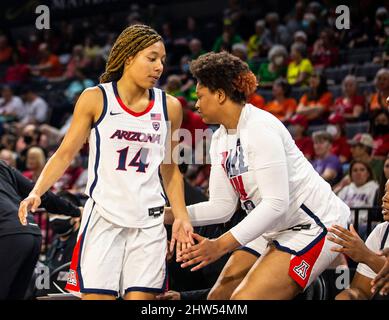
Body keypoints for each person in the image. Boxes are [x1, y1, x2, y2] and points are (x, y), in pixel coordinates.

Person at [18, 24, 193, 300]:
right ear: (128, 58)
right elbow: (64, 153)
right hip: (104, 218)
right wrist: (37, 192)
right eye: (151, 58)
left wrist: (182, 216)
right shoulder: (96, 98)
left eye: (162, 60)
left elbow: (170, 169)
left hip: (149, 223)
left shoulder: (169, 107)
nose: (159, 66)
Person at [167, 51, 350, 300]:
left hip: (314, 224)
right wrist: (170, 215)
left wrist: (219, 245)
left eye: (200, 96)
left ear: (220, 95)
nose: (196, 104)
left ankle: (312, 288)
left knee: (244, 301)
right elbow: (221, 207)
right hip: (274, 226)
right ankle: (307, 288)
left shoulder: (259, 128)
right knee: (217, 299)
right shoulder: (220, 137)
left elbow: (276, 203)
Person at [0, 160, 81, 299]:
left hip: (7, 234)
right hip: (30, 233)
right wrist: (75, 211)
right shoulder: (2, 166)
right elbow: (37, 192)